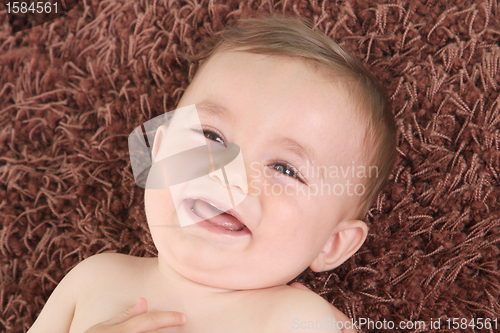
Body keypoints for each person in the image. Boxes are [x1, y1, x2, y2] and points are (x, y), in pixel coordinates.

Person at [28, 15, 396, 333]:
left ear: (331, 243)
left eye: (284, 168)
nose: (230, 172)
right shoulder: (93, 279)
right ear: (158, 155)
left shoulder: (297, 320)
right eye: (211, 136)